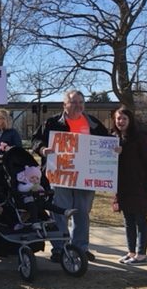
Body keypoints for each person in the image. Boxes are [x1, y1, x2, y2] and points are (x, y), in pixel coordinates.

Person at [31, 89, 110, 262]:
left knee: (82, 212)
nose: (78, 106)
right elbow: (35, 140)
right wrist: (43, 149)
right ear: (64, 105)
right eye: (74, 102)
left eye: (81, 102)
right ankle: (59, 248)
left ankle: (80, 248)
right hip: (60, 175)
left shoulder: (93, 123)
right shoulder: (52, 123)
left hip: (86, 177)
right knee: (59, 212)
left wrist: (114, 148)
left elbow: (108, 141)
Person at [111, 106, 147, 265]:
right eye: (118, 118)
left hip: (139, 186)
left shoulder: (141, 139)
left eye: (124, 118)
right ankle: (131, 252)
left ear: (130, 120)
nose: (120, 121)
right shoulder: (114, 139)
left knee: (140, 220)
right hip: (123, 187)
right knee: (128, 220)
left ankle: (141, 255)